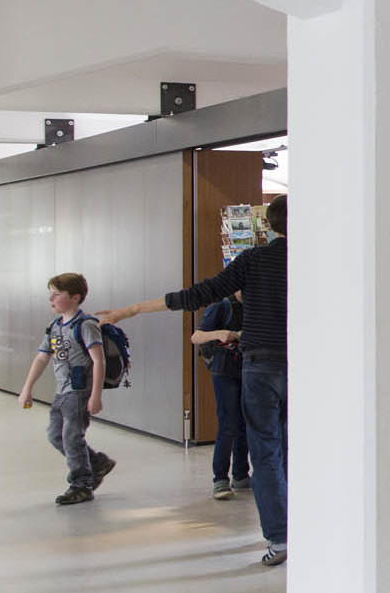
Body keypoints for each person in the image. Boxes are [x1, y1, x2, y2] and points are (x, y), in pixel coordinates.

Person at [99, 194, 288, 566]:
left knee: (265, 452)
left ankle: (280, 539)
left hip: (260, 367)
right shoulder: (318, 261)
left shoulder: (253, 260)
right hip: (308, 367)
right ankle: (317, 529)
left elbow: (196, 295)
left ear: (268, 225)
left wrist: (130, 310)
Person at [17, 273, 116, 506]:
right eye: (50, 294)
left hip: (79, 392)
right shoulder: (55, 327)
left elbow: (98, 361)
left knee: (72, 438)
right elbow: (42, 359)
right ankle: (97, 463)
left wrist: (96, 395)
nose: (51, 299)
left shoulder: (86, 325)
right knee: (55, 435)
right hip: (62, 393)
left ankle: (81, 485)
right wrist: (26, 389)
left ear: (75, 297)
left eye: (57, 294)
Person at [190, 292, 251, 500]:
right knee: (228, 424)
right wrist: (222, 333)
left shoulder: (256, 304)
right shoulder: (221, 306)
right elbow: (196, 337)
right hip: (224, 371)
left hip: (249, 368)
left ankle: (241, 475)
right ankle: (220, 479)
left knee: (245, 421)